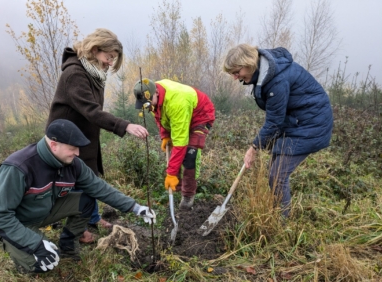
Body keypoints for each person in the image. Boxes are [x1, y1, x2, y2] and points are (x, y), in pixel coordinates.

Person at [0, 119, 155, 274]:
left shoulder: (72, 164)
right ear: (54, 145)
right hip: (8, 225)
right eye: (72, 148)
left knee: (87, 200)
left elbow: (99, 188)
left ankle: (68, 245)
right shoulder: (19, 167)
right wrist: (35, 244)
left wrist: (135, 207)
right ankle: (26, 259)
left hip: (41, 214)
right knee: (43, 264)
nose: (78, 153)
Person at [46, 28, 149, 241]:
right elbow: (91, 110)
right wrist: (124, 126)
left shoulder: (94, 74)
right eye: (108, 57)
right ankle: (77, 227)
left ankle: (92, 217)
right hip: (67, 138)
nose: (110, 63)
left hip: (85, 135)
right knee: (76, 184)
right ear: (95, 49)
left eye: (113, 59)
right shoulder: (74, 74)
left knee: (91, 176)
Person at [223, 44, 333, 217]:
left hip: (311, 124)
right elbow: (276, 116)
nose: (235, 77)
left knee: (278, 175)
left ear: (249, 63)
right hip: (295, 122)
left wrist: (253, 148)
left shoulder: (276, 80)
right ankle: (276, 212)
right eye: (233, 74)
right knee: (274, 172)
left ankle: (282, 223)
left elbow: (274, 121)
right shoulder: (265, 74)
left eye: (237, 72)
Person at [133, 78, 216, 210]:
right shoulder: (152, 92)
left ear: (156, 93)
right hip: (181, 113)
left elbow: (181, 143)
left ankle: (188, 196)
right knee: (176, 153)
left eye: (147, 103)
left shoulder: (176, 103)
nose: (147, 107)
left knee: (190, 155)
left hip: (200, 115)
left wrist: (170, 173)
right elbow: (160, 115)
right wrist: (165, 135)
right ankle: (176, 188)